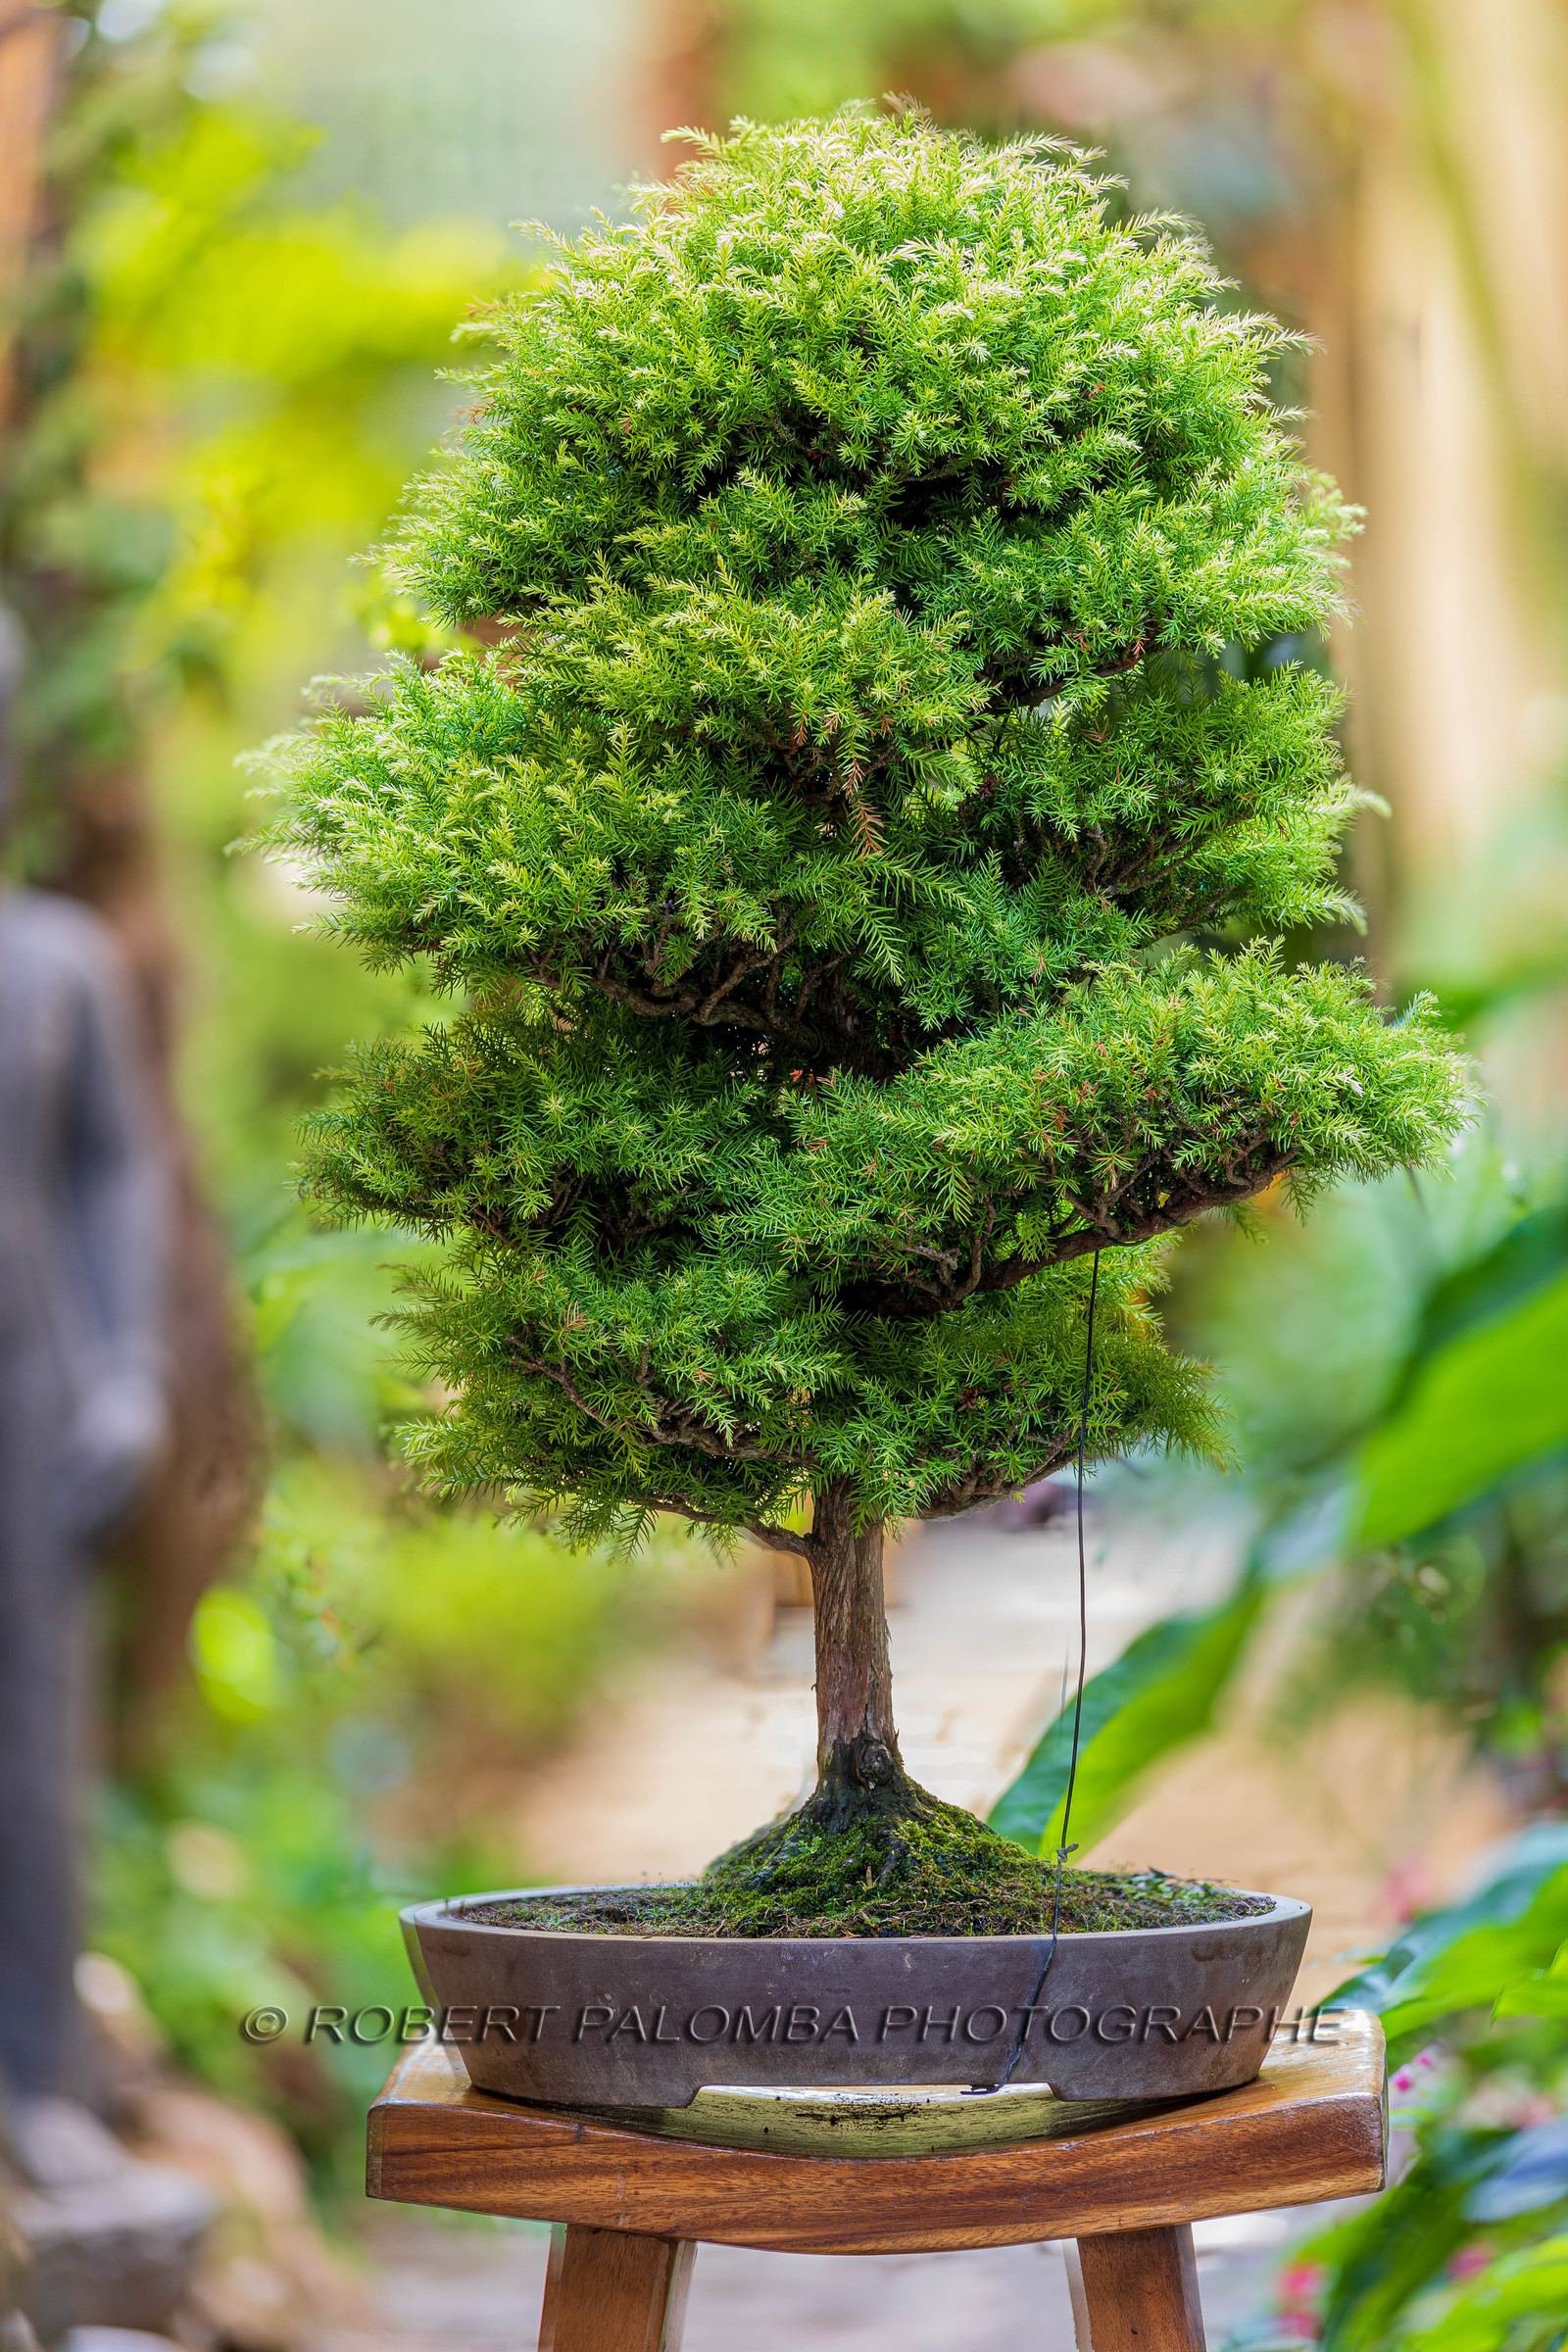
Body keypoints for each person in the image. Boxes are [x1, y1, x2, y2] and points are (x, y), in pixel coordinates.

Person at [0, 608, 168, 2098]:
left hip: (29, 1409)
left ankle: (37, 2092)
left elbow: (121, 1169)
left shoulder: (54, 960)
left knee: (30, 1767)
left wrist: (128, 1372)